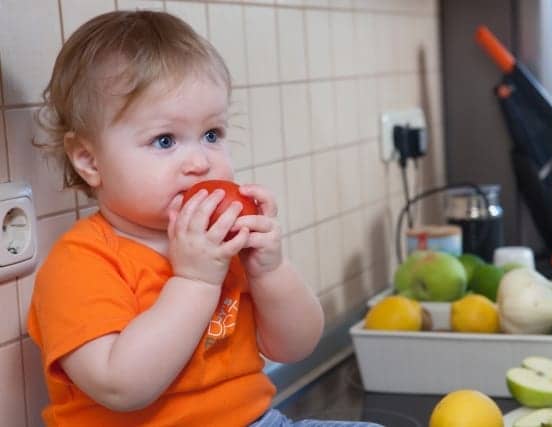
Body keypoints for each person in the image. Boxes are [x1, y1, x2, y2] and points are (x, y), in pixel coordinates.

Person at [27, 10, 381, 427]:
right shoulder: (80, 264)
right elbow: (122, 387)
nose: (199, 161)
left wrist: (270, 270)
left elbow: (296, 346)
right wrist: (194, 281)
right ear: (89, 159)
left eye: (212, 134)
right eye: (164, 140)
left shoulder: (222, 241)